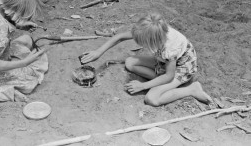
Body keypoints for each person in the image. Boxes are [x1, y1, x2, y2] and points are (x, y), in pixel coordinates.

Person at [81, 13, 212, 106]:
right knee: (130, 62)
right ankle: (157, 78)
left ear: (152, 41)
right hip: (163, 62)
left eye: (142, 43)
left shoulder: (170, 48)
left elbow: (168, 76)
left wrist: (142, 86)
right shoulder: (151, 30)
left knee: (152, 98)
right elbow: (120, 37)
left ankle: (192, 89)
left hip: (181, 68)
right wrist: (98, 52)